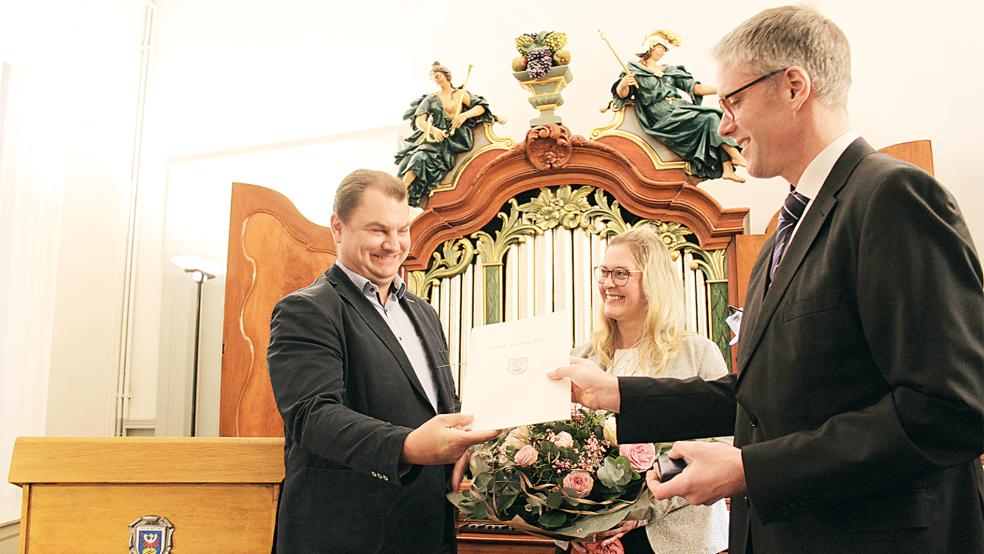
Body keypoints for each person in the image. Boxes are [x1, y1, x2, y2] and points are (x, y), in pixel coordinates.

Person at [553, 6, 984, 553]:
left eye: (732, 101)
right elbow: (760, 397)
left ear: (793, 87)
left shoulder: (890, 196)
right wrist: (616, 392)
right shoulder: (790, 224)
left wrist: (751, 469)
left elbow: (951, 408)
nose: (723, 125)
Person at [267, 169, 499, 553]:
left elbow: (437, 407)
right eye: (377, 230)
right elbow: (312, 416)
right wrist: (407, 445)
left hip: (427, 530)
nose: (393, 245)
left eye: (402, 229)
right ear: (338, 227)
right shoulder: (307, 310)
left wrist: (466, 442)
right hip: (348, 535)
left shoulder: (423, 312)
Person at [568, 227, 729, 554]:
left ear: (653, 281)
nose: (607, 283)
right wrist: (570, 523)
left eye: (621, 273)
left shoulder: (697, 353)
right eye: (604, 272)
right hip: (589, 540)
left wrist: (643, 508)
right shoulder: (581, 358)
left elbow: (722, 448)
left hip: (671, 537)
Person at [612, 30, 746, 183]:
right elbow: (623, 94)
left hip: (679, 108)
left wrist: (722, 89)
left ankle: (727, 168)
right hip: (661, 115)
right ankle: (734, 155)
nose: (663, 52)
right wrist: (624, 84)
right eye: (661, 48)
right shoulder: (634, 71)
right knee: (710, 117)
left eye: (665, 50)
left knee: (715, 117)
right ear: (651, 46)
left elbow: (696, 89)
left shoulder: (669, 71)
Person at [395, 61, 498, 208]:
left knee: (422, 157)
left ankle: (403, 191)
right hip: (436, 137)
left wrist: (464, 115)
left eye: (438, 76)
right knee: (420, 156)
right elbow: (419, 122)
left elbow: (481, 107)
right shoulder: (431, 98)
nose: (436, 80)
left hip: (456, 137)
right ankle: (402, 190)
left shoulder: (460, 94)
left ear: (446, 76)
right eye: (433, 78)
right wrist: (433, 130)